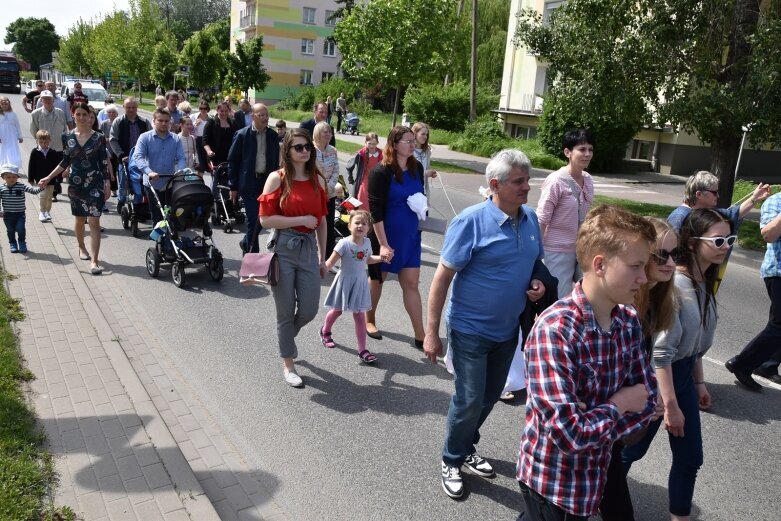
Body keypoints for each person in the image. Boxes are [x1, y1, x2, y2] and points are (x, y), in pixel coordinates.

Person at [517, 204, 658, 521]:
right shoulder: (556, 331)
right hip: (552, 487)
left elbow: (648, 404)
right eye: (636, 266)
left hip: (594, 480)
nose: (644, 277)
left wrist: (594, 419)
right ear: (600, 264)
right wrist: (620, 403)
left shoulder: (629, 321)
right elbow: (569, 435)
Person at [422, 149, 546, 499]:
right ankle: (451, 458)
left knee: (490, 397)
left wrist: (537, 281)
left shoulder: (531, 219)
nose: (527, 187)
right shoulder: (470, 221)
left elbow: (535, 262)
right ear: (495, 185)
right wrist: (431, 333)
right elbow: (441, 279)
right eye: (519, 181)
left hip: (508, 332)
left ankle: (466, 445)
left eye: (528, 179)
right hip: (469, 330)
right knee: (469, 398)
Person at [598, 217, 679, 521]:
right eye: (662, 255)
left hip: (616, 424)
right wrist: (635, 398)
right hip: (600, 421)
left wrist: (650, 395)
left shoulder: (660, 299)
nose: (671, 263)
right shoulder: (624, 305)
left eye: (676, 254)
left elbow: (641, 360)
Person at [258, 129, 328, 388]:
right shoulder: (277, 179)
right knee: (285, 312)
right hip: (285, 247)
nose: (304, 151)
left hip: (309, 248)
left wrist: (323, 257)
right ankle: (288, 363)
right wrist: (300, 220)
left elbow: (321, 222)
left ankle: (286, 336)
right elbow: (265, 220)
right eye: (298, 147)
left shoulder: (317, 181)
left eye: (307, 146)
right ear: (287, 151)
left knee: (309, 309)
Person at [366, 126, 436, 345]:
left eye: (414, 141)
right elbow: (375, 210)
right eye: (408, 141)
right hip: (386, 236)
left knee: (411, 283)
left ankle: (420, 334)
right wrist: (384, 244)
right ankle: (369, 319)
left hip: (410, 236)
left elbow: (420, 195)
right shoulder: (381, 171)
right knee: (378, 279)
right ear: (394, 144)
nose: (413, 144)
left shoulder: (416, 167)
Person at [38, 103, 111, 274]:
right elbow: (65, 161)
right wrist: (49, 177)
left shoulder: (98, 137)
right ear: (73, 116)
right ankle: (81, 247)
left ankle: (94, 261)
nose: (81, 117)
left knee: (94, 221)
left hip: (95, 183)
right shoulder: (67, 137)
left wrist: (107, 184)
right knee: (79, 220)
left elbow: (103, 163)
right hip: (76, 184)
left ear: (89, 116)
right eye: (77, 114)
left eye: (84, 114)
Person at [725, 191, 781, 390]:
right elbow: (768, 235)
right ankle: (741, 363)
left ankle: (767, 365)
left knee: (778, 324)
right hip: (778, 271)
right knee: (779, 324)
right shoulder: (775, 202)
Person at [536, 128, 596, 298]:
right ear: (567, 152)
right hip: (555, 252)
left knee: (584, 298)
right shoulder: (556, 181)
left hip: (579, 250)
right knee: (558, 300)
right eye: (582, 149)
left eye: (590, 150)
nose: (587, 154)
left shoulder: (588, 180)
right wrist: (537, 257)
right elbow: (542, 219)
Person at [320, 209, 383, 363]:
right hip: (345, 282)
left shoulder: (367, 242)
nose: (360, 226)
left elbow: (367, 259)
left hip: (360, 282)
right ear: (349, 226)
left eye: (364, 224)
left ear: (368, 228)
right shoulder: (344, 243)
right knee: (337, 310)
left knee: (360, 316)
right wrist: (321, 269)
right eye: (357, 223)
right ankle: (325, 331)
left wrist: (381, 258)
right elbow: (330, 262)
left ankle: (362, 350)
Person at [227, 103, 279, 254]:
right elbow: (233, 161)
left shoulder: (273, 136)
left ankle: (245, 242)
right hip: (249, 183)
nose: (264, 118)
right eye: (260, 115)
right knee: (254, 220)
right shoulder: (242, 135)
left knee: (264, 220)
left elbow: (275, 162)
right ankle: (252, 255)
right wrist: (233, 186)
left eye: (266, 115)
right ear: (252, 116)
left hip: (267, 184)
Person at [667, 171, 770, 233]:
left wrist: (755, 198)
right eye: (714, 192)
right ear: (699, 194)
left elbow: (735, 213)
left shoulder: (708, 213)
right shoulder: (679, 218)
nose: (718, 196)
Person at [131, 108, 186, 224]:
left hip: (170, 181)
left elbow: (181, 157)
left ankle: (168, 234)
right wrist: (149, 171)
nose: (164, 123)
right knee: (157, 214)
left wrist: (181, 171)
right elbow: (138, 157)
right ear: (154, 121)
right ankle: (159, 239)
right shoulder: (144, 137)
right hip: (152, 182)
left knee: (169, 212)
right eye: (160, 120)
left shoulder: (175, 139)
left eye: (166, 121)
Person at [109, 97, 151, 210]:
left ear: (137, 108)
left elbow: (151, 139)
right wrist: (121, 155)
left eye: (133, 107)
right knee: (123, 181)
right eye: (128, 107)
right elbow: (113, 140)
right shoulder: (118, 122)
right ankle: (121, 200)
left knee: (140, 182)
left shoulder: (144, 122)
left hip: (142, 159)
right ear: (123, 107)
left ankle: (137, 204)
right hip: (125, 157)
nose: (131, 110)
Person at [1, 163, 43, 253]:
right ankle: (12, 243)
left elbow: (33, 191)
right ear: (3, 178)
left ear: (17, 177)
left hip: (20, 214)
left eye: (14, 177)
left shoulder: (21, 186)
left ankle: (22, 243)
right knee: (10, 230)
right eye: (8, 177)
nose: (11, 179)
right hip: (7, 214)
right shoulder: (1, 188)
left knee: (21, 229)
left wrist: (41, 187)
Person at [313, 121, 340, 260]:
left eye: (330, 132)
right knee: (314, 223)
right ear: (318, 133)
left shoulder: (332, 150)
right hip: (314, 194)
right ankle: (313, 255)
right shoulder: (310, 149)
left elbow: (336, 170)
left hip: (329, 194)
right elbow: (310, 172)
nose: (329, 134)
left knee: (328, 225)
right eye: (326, 132)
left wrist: (329, 187)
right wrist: (321, 188)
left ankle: (328, 258)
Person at [28, 130, 63, 222]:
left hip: (51, 179)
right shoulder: (35, 152)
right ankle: (42, 212)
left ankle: (47, 212)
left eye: (46, 142)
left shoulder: (53, 152)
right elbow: (31, 165)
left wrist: (58, 178)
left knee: (49, 196)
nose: (44, 144)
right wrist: (31, 178)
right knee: (43, 195)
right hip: (40, 179)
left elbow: (57, 166)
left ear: (49, 141)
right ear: (37, 141)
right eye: (41, 142)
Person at [346, 132, 382, 210]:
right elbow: (349, 166)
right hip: (364, 180)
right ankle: (360, 217)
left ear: (377, 143)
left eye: (374, 144)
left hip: (376, 181)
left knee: (374, 202)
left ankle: (372, 219)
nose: (372, 146)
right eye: (369, 143)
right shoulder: (361, 154)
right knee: (361, 199)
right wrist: (350, 178)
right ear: (365, 142)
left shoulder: (381, 154)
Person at [203, 102, 238, 172]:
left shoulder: (233, 122)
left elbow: (237, 138)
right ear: (217, 110)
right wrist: (209, 151)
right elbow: (205, 140)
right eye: (222, 111)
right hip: (215, 157)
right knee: (216, 180)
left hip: (229, 156)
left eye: (226, 111)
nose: (224, 113)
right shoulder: (211, 122)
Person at [99, 105, 120, 198]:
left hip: (118, 150)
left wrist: (111, 139)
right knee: (110, 171)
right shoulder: (104, 124)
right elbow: (101, 137)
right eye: (109, 112)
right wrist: (110, 139)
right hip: (108, 151)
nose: (111, 114)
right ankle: (113, 189)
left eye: (113, 112)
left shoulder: (119, 123)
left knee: (119, 170)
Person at [0, 97, 23, 167]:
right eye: (2, 104)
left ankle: (13, 164)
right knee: (3, 149)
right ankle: (3, 165)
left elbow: (17, 125)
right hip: (2, 135)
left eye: (6, 104)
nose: (4, 106)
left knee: (12, 149)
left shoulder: (13, 114)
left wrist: (20, 136)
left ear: (9, 104)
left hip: (12, 135)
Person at [193, 101, 211, 172]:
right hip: (197, 139)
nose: (203, 110)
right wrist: (195, 125)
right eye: (201, 108)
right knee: (199, 161)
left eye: (205, 108)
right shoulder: (194, 117)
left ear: (208, 109)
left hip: (207, 140)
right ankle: (200, 179)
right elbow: (189, 129)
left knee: (207, 160)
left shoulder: (210, 119)